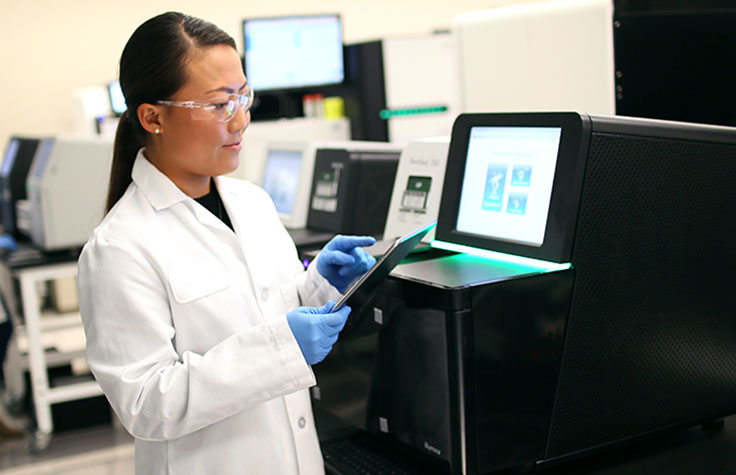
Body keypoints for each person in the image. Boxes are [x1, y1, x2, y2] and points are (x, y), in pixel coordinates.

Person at [76, 12, 375, 475]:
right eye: (219, 105)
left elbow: (266, 311)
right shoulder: (119, 248)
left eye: (243, 97)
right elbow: (145, 404)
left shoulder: (251, 202)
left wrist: (319, 285)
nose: (241, 121)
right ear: (153, 117)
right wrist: (282, 347)